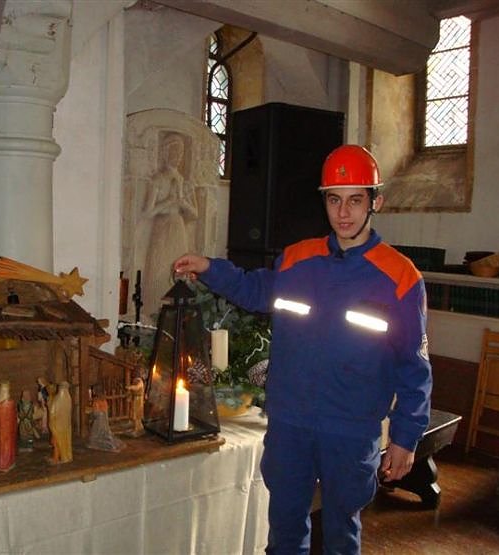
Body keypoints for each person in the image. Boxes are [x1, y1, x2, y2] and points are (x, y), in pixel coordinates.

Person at [173, 145, 432, 554]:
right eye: (334, 200)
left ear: (375, 203)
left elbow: (414, 368)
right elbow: (256, 289)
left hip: (351, 430)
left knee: (341, 533)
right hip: (290, 423)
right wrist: (210, 268)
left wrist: (405, 438)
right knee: (285, 532)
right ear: (324, 202)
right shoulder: (297, 259)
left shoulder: (400, 278)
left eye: (355, 200)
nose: (343, 213)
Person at [142, 132, 198, 321]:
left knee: (178, 269)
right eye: (173, 150)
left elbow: (194, 214)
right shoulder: (158, 179)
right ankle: (154, 311)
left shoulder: (184, 182)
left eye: (180, 151)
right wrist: (168, 201)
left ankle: (177, 314)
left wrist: (182, 201)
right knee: (159, 268)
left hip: (178, 228)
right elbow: (148, 212)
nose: (177, 155)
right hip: (162, 228)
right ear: (165, 152)